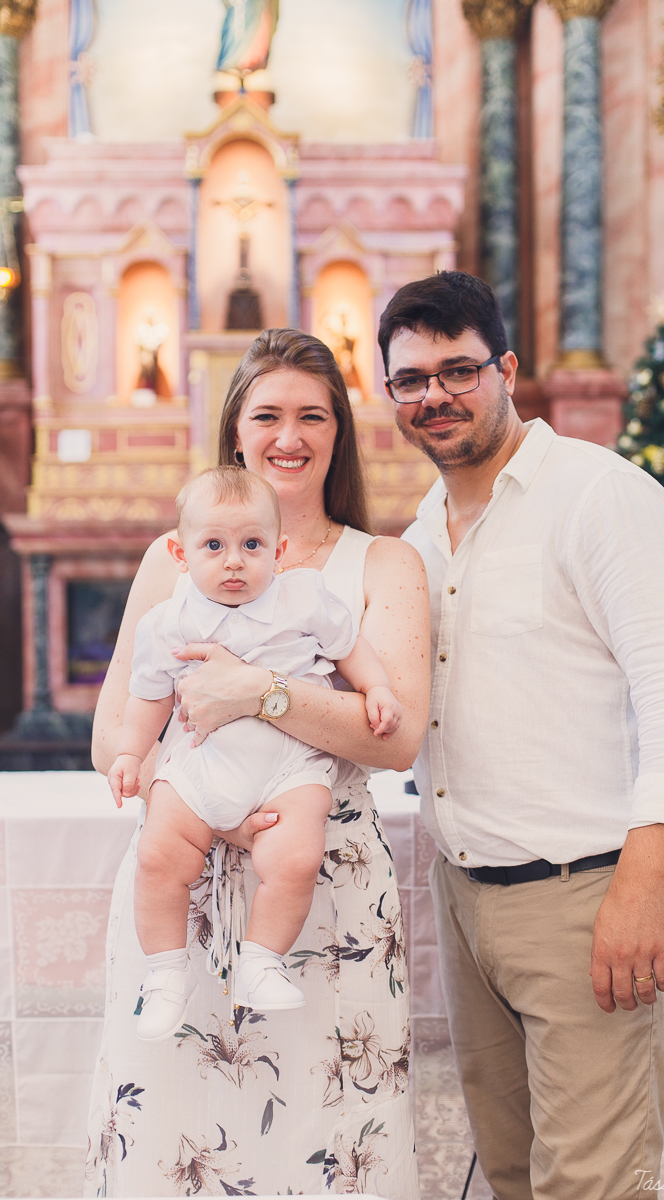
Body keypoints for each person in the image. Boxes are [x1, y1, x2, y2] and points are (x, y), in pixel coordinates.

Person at [379, 271, 664, 1200]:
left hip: (588, 896)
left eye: (457, 370)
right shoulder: (421, 536)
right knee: (511, 1174)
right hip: (468, 898)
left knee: (592, 1184)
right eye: (410, 380)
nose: (435, 397)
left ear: (506, 368)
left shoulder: (600, 496)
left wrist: (641, 884)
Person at [86, 329, 428, 1198]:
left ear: (339, 433)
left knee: (326, 1136)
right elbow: (112, 731)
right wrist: (202, 805)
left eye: (314, 415)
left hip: (324, 880)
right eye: (267, 414)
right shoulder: (173, 567)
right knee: (176, 1140)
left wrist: (257, 691)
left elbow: (396, 737)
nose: (290, 435)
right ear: (234, 430)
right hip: (188, 869)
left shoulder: (381, 564)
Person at [109, 466, 402, 1035]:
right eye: (213, 546)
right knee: (159, 856)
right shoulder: (167, 622)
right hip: (201, 765)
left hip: (290, 766)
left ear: (280, 549)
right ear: (181, 551)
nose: (234, 560)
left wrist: (380, 688)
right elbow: (146, 697)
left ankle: (262, 959)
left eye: (252, 545)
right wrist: (128, 754)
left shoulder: (304, 598)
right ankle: (166, 972)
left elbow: (350, 648)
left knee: (294, 859)